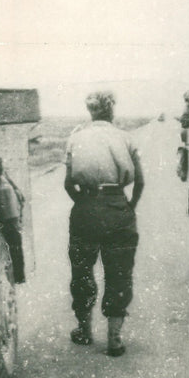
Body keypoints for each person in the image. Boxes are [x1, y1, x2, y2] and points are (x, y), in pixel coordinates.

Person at [64, 90, 144, 356]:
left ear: (91, 111)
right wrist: (127, 207)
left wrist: (84, 202)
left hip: (85, 208)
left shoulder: (75, 138)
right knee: (119, 273)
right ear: (112, 110)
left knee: (82, 271)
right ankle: (114, 339)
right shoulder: (125, 137)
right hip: (117, 206)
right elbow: (140, 182)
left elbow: (68, 183)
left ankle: (85, 331)